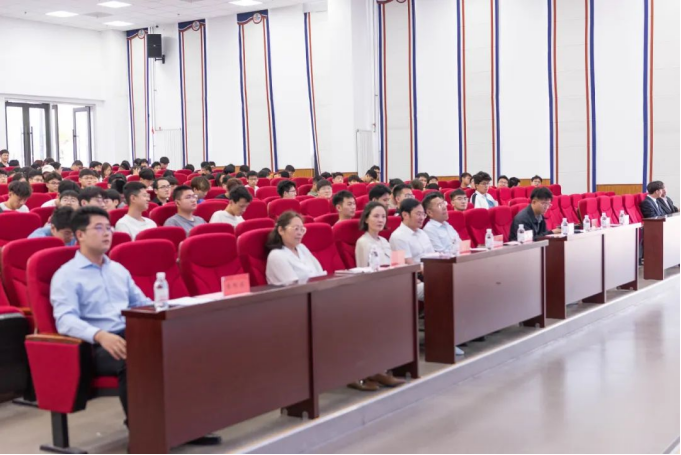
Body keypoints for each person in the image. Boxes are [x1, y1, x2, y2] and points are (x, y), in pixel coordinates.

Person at [389, 198, 434, 302]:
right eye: (418, 214)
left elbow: (433, 256)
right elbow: (410, 266)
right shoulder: (398, 237)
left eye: (423, 214)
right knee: (443, 286)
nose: (422, 218)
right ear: (405, 215)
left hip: (430, 273)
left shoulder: (422, 233)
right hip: (413, 279)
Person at [265, 212, 325, 286]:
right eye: (296, 229)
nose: (300, 233)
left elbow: (320, 273)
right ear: (281, 230)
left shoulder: (302, 248)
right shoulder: (276, 255)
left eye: (302, 229)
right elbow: (294, 287)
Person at [356, 202, 392, 268]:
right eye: (376, 216)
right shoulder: (362, 242)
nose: (381, 220)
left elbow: (398, 265)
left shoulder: (384, 240)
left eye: (383, 216)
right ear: (366, 219)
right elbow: (362, 270)